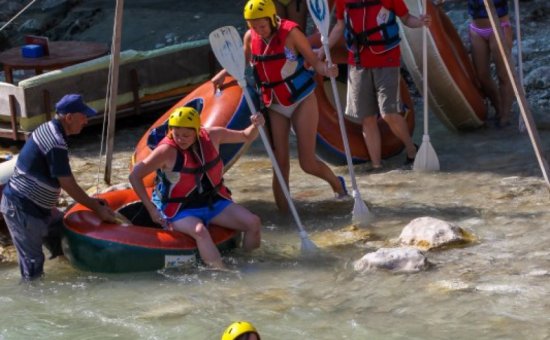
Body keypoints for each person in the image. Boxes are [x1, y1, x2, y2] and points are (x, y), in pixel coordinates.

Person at [212, 0, 348, 213]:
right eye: (253, 26)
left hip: (301, 99)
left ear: (273, 19)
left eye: (262, 26)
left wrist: (328, 70)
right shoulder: (251, 37)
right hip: (274, 105)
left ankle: (338, 186)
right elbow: (240, 62)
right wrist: (222, 74)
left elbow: (314, 62)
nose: (258, 31)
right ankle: (286, 215)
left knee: (307, 162)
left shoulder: (291, 33)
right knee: (279, 164)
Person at [0, 94, 117, 281]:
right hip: (22, 208)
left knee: (60, 237)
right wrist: (95, 207)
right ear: (69, 117)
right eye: (83, 116)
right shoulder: (55, 141)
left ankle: (64, 276)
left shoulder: (51, 128)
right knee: (33, 266)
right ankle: (34, 301)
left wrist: (93, 202)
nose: (86, 121)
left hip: (42, 208)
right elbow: (67, 182)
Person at [129, 106, 263, 269]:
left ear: (197, 131)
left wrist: (256, 125)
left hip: (212, 201)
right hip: (179, 209)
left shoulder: (213, 135)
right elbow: (135, 176)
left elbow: (246, 136)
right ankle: (222, 273)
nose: (180, 139)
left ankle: (248, 263)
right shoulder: (165, 151)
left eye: (186, 135)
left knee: (253, 222)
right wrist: (151, 210)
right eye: (176, 134)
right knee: (200, 231)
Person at [320, 0, 431, 170]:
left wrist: (420, 22)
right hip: (357, 62)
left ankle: (412, 150)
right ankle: (377, 166)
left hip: (387, 59)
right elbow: (340, 26)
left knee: (389, 113)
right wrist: (322, 50)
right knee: (367, 118)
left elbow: (407, 18)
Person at [465, 0, 514, 128]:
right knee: (481, 76)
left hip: (499, 27)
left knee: (503, 75)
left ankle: (505, 117)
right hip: (476, 29)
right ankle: (499, 108)